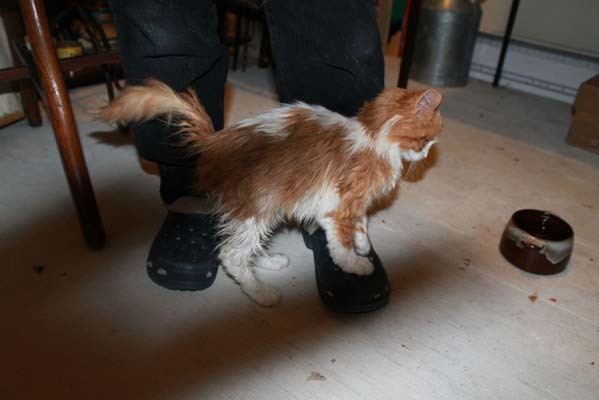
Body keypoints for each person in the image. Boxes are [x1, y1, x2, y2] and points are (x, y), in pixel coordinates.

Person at [108, 0, 390, 312]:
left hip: (331, 156)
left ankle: (331, 194)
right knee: (164, 18)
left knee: (331, 15)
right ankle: (190, 189)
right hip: (250, 184)